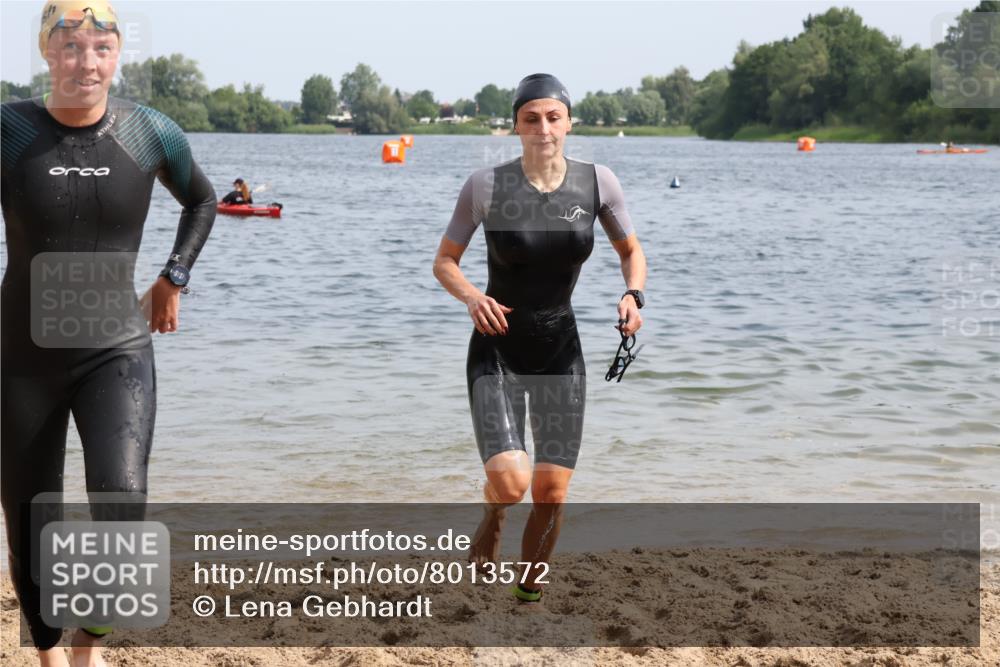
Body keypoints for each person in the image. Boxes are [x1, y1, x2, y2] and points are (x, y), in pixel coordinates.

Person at [1, 2, 215, 664]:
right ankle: (48, 655)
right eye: (69, 47)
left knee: (122, 501)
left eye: (100, 47)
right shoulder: (9, 130)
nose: (85, 61)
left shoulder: (149, 132)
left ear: (117, 53)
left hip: (114, 349)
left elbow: (201, 201)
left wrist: (172, 277)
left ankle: (90, 644)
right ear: (46, 52)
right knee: (32, 521)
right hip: (20, 354)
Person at [432, 73, 648, 601]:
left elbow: (631, 253)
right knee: (511, 485)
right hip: (498, 346)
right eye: (532, 118)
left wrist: (632, 296)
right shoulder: (486, 186)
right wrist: (471, 298)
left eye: (553, 117)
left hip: (559, 347)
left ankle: (528, 594)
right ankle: (492, 512)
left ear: (569, 122)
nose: (543, 128)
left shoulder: (598, 183)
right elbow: (445, 262)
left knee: (551, 493)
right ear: (516, 126)